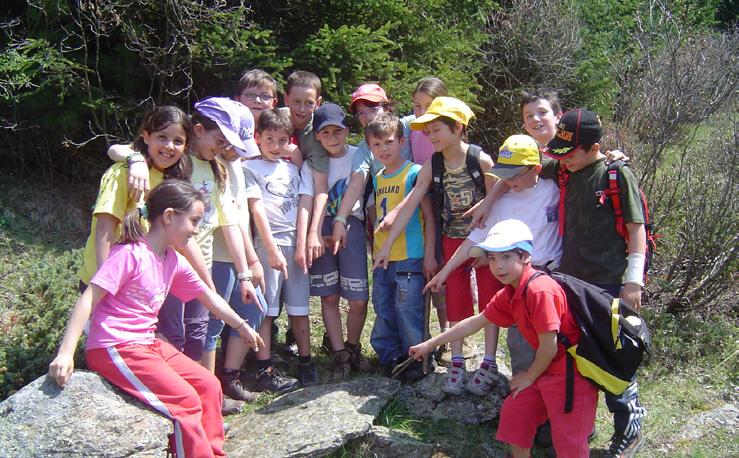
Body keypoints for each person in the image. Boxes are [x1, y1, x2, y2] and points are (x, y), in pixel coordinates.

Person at [49, 180, 264, 458]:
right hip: (115, 346)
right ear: (169, 217)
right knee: (185, 400)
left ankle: (211, 451)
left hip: (147, 344)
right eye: (194, 221)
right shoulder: (129, 254)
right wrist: (66, 353)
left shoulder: (173, 260)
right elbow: (88, 299)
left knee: (209, 385)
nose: (197, 229)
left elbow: (209, 297)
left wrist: (241, 325)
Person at [409, 219, 597, 458]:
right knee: (515, 415)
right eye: (493, 258)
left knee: (569, 445)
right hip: (547, 372)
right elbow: (476, 322)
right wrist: (430, 344)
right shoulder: (510, 292)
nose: (498, 266)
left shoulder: (540, 291)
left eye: (506, 257)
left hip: (572, 377)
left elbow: (548, 347)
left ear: (525, 256)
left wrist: (529, 377)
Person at [374, 96, 497, 396]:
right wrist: (388, 244)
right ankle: (457, 360)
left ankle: (490, 360)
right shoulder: (433, 164)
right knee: (455, 298)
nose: (430, 136)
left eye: (435, 129)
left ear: (458, 127)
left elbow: (498, 203)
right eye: (426, 132)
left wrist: (491, 249)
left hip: (485, 242)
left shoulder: (480, 160)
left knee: (491, 302)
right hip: (451, 241)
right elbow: (411, 203)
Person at [542, 108, 647, 457]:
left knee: (613, 358)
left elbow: (636, 231)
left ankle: (628, 425)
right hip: (571, 283)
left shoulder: (616, 175)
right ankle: (578, 428)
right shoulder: (564, 170)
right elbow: (525, 165)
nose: (563, 160)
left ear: (594, 147)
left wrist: (633, 283)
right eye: (560, 153)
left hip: (609, 285)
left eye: (571, 153)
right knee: (577, 359)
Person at [425, 134, 561, 395]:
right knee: (520, 342)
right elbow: (473, 239)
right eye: (504, 174)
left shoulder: (553, 190)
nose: (507, 181)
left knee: (551, 342)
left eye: (514, 175)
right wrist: (446, 271)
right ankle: (527, 397)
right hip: (520, 284)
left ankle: (550, 401)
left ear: (535, 169)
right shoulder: (502, 202)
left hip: (551, 279)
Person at [78, 106, 192, 291]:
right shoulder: (123, 172)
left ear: (186, 147)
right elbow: (105, 228)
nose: (169, 146)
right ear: (146, 136)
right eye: (162, 137)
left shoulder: (173, 181)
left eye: (178, 141)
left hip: (140, 286)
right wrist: (106, 284)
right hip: (106, 284)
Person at [244, 108, 319, 391]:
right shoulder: (249, 168)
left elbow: (303, 204)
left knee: (300, 305)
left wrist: (301, 242)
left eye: (282, 140)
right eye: (269, 139)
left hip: (295, 243)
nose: (275, 146)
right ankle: (264, 367)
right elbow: (257, 210)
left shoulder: (293, 168)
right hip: (267, 244)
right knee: (268, 307)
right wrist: (271, 248)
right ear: (258, 138)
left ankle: (306, 360)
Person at [366, 113, 437, 381]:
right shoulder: (378, 177)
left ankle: (415, 359)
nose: (383, 149)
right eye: (376, 145)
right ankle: (390, 356)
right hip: (383, 256)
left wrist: (429, 255)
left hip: (409, 254)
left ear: (402, 141)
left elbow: (428, 216)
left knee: (407, 309)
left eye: (388, 142)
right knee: (383, 307)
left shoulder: (414, 173)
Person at [303, 103, 370, 381]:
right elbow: (309, 198)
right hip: (322, 228)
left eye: (338, 131)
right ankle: (339, 352)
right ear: (317, 136)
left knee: (357, 296)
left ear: (346, 130)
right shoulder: (313, 163)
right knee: (329, 294)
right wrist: (313, 232)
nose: (332, 137)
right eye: (326, 132)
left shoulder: (358, 155)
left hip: (352, 226)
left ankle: (353, 346)